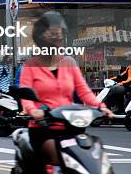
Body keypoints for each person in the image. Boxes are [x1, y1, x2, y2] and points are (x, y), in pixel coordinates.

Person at [20, 11, 113, 170]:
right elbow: (25, 95)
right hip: (43, 129)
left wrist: (100, 106)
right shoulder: (30, 65)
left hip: (71, 127)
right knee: (59, 158)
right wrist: (33, 111)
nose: (57, 38)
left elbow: (83, 90)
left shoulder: (69, 62)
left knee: (93, 158)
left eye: (60, 34)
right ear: (41, 37)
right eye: (52, 34)